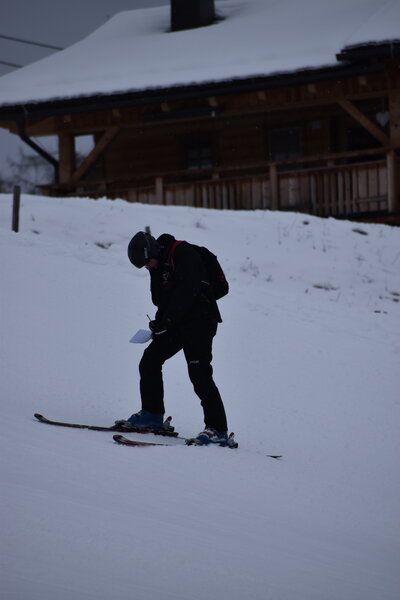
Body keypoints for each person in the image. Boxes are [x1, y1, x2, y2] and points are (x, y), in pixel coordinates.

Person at [118, 231, 229, 445]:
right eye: (144, 266)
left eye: (147, 263)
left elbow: (189, 291)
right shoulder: (158, 265)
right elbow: (163, 299)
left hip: (201, 321)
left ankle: (217, 430)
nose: (147, 267)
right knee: (150, 360)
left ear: (152, 252)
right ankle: (151, 415)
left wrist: (167, 320)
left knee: (199, 373)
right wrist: (159, 323)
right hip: (178, 322)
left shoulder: (183, 254)